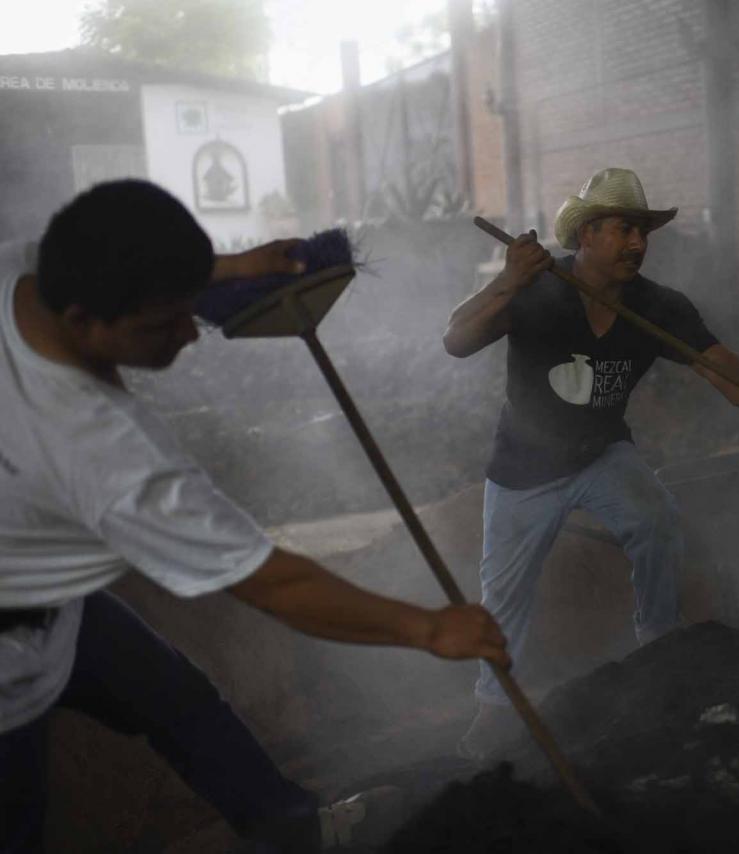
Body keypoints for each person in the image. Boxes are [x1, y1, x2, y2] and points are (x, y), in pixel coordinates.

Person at [0, 180, 510, 853]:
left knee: (176, 696)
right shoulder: (108, 452)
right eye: (165, 322)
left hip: (46, 583)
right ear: (85, 319)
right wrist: (428, 626)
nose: (192, 332)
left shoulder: (28, 271)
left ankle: (292, 829)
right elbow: (275, 584)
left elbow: (109, 254)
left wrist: (238, 267)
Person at [443, 167, 739, 758]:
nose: (638, 243)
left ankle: (660, 649)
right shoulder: (536, 291)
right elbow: (456, 340)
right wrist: (508, 281)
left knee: (655, 519)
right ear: (586, 235)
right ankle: (492, 706)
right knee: (504, 591)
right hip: (524, 466)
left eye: (643, 231)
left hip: (600, 453)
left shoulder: (660, 307)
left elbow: (722, 367)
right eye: (624, 229)